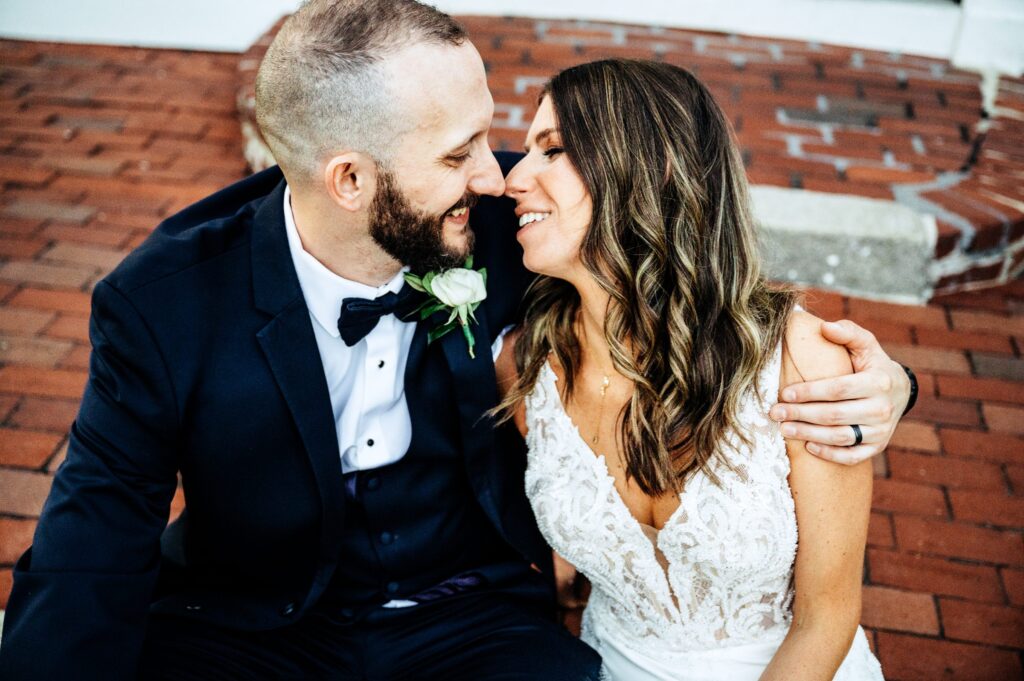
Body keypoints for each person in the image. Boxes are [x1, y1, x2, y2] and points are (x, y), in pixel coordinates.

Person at [0, 2, 911, 679]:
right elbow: (91, 541)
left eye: (493, 139)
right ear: (350, 179)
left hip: (469, 615)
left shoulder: (526, 223)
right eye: (460, 152)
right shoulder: (165, 304)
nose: (497, 176)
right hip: (255, 622)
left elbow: (684, 271)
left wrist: (891, 385)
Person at [495, 59, 886, 680]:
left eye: (554, 150)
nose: (512, 178)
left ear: (651, 170)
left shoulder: (799, 363)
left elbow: (826, 619)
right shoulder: (528, 366)